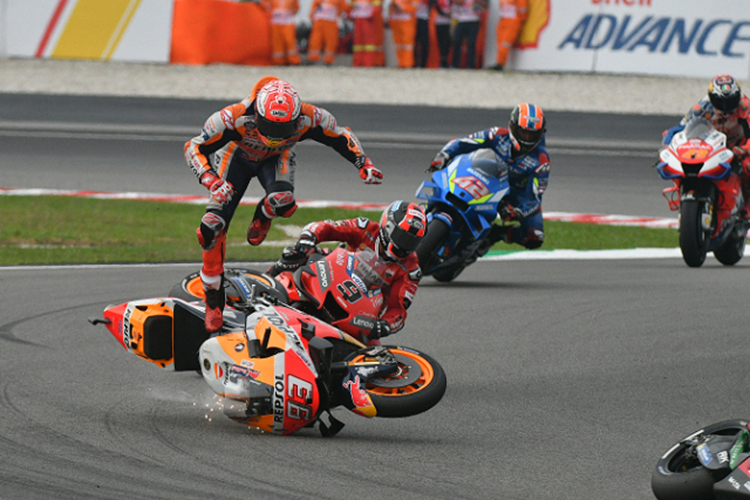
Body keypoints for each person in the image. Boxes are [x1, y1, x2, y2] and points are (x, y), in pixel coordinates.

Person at [184, 76, 384, 333]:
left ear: (297, 119)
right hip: (235, 158)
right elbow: (194, 146)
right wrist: (210, 180)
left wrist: (363, 163)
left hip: (276, 159)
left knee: (285, 202)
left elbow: (340, 134)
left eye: (283, 128)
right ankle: (213, 300)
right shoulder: (232, 117)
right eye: (269, 125)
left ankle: (264, 213)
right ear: (257, 113)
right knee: (211, 227)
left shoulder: (310, 117)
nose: (275, 134)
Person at [272, 200, 427, 341]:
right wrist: (308, 237)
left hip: (360, 315)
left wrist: (384, 325)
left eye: (413, 242)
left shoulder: (411, 269)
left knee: (372, 357)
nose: (406, 246)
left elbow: (398, 310)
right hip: (331, 280)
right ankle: (268, 283)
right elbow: (328, 227)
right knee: (298, 253)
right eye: (403, 237)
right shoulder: (365, 228)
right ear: (388, 226)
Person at [428, 103, 550, 256]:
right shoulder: (497, 135)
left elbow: (535, 197)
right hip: (490, 179)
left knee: (535, 237)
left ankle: (496, 233)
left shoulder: (541, 161)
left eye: (532, 134)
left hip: (515, 195)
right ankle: (429, 211)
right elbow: (465, 142)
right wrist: (444, 155)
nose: (527, 138)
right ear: (512, 126)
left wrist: (519, 211)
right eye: (523, 132)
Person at [662, 74, 750, 216]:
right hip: (711, 145)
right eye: (719, 101)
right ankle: (683, 191)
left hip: (739, 146)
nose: (726, 107)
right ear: (711, 97)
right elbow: (681, 128)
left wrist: (745, 149)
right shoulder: (703, 107)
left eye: (730, 101)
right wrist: (667, 142)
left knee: (747, 166)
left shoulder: (745, 106)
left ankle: (747, 205)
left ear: (738, 97)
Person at [307, 0, 350, 65]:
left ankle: (328, 60)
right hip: (319, 20)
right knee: (315, 39)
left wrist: (341, 16)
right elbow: (314, 8)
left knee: (331, 40)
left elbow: (344, 9)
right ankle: (313, 58)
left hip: (331, 21)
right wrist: (311, 17)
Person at [262, 0, 302, 65]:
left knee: (290, 40)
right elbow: (265, 5)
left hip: (287, 21)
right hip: (275, 22)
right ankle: (279, 61)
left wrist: (286, 14)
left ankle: (293, 60)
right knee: (277, 42)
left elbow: (296, 8)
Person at [491, 0, 526, 71]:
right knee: (500, 43)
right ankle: (499, 62)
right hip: (503, 20)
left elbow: (523, 9)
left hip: (513, 21)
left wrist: (520, 20)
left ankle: (500, 64)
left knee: (505, 43)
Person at [450, 0, 484, 69]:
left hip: (473, 21)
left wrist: (476, 3)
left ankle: (471, 65)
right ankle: (455, 64)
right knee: (456, 42)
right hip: (460, 21)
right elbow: (455, 6)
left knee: (471, 43)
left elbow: (482, 9)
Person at [351, 0, 385, 66]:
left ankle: (368, 62)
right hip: (358, 18)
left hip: (368, 19)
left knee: (368, 41)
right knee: (358, 42)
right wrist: (351, 13)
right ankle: (358, 62)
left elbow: (376, 6)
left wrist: (371, 15)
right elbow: (351, 5)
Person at [388, 0, 419, 68]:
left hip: (407, 22)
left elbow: (415, 6)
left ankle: (407, 63)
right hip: (396, 21)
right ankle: (401, 63)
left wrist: (402, 8)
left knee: (407, 44)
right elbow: (391, 6)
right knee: (398, 44)